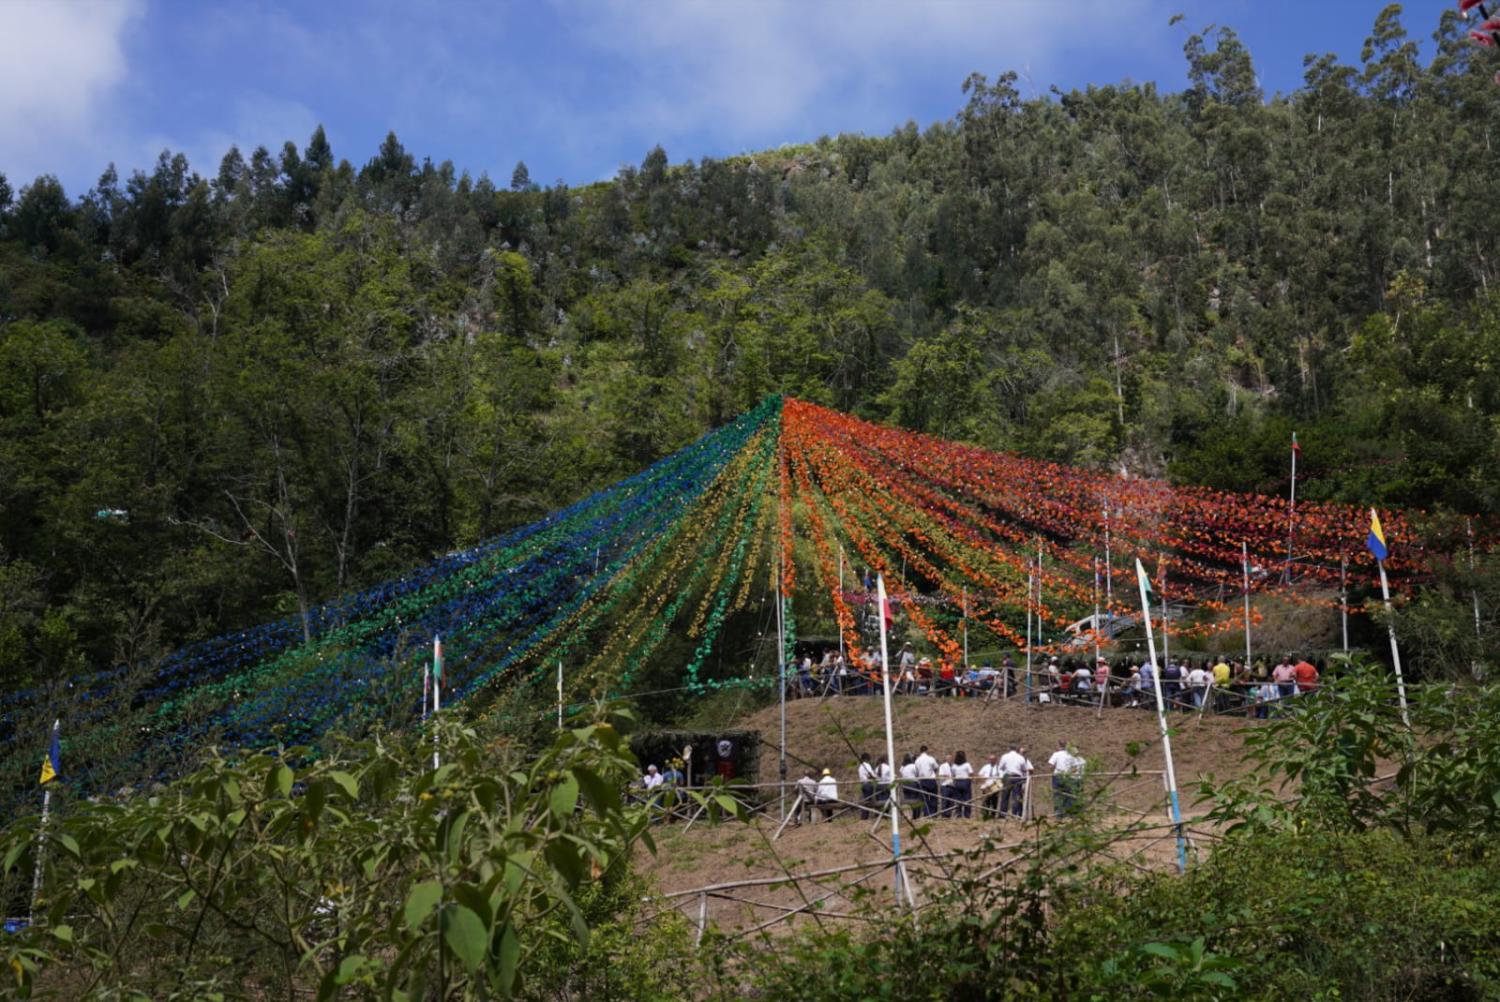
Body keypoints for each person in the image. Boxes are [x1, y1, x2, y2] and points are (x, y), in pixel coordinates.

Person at [1048, 741, 1085, 816]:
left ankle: (1059, 813)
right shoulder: (1072, 756)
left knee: (1058, 794)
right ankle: (1070, 813)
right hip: (1069, 777)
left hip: (1058, 776)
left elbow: (1051, 766)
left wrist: (1052, 772)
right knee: (1069, 795)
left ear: (1059, 746)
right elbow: (1073, 768)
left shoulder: (1056, 754)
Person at [998, 743, 1032, 819]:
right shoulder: (1020, 758)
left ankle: (1003, 815)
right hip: (1017, 777)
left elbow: (1000, 768)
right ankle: (1014, 815)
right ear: (1016, 749)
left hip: (1007, 777)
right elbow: (1024, 769)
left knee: (1005, 796)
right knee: (1016, 796)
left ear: (1009, 748)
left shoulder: (1004, 756)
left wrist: (1002, 777)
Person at [914, 745, 939, 817]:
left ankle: (926, 813)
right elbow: (936, 767)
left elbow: (916, 771)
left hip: (922, 780)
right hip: (931, 780)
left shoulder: (917, 760)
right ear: (927, 750)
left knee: (924, 798)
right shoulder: (931, 758)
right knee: (933, 797)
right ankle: (934, 813)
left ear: (920, 751)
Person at [978, 754, 1003, 818]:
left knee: (994, 802)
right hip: (986, 787)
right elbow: (980, 774)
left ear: (996, 760)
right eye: (990, 759)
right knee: (986, 801)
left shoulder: (999, 768)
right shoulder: (985, 767)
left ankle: (993, 815)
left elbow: (1001, 777)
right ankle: (985, 815)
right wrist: (983, 780)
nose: (992, 761)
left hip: (995, 787)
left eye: (993, 759)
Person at [951, 751, 974, 819]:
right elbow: (971, 773)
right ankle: (967, 815)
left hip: (957, 782)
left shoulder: (954, 765)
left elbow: (953, 775)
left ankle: (958, 814)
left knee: (958, 799)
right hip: (965, 782)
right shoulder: (967, 764)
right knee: (967, 799)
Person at [857, 752, 877, 820]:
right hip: (868, 784)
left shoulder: (860, 766)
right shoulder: (866, 765)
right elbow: (870, 775)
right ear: (866, 758)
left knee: (866, 800)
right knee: (868, 801)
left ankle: (865, 817)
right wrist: (875, 777)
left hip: (863, 784)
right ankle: (864, 817)